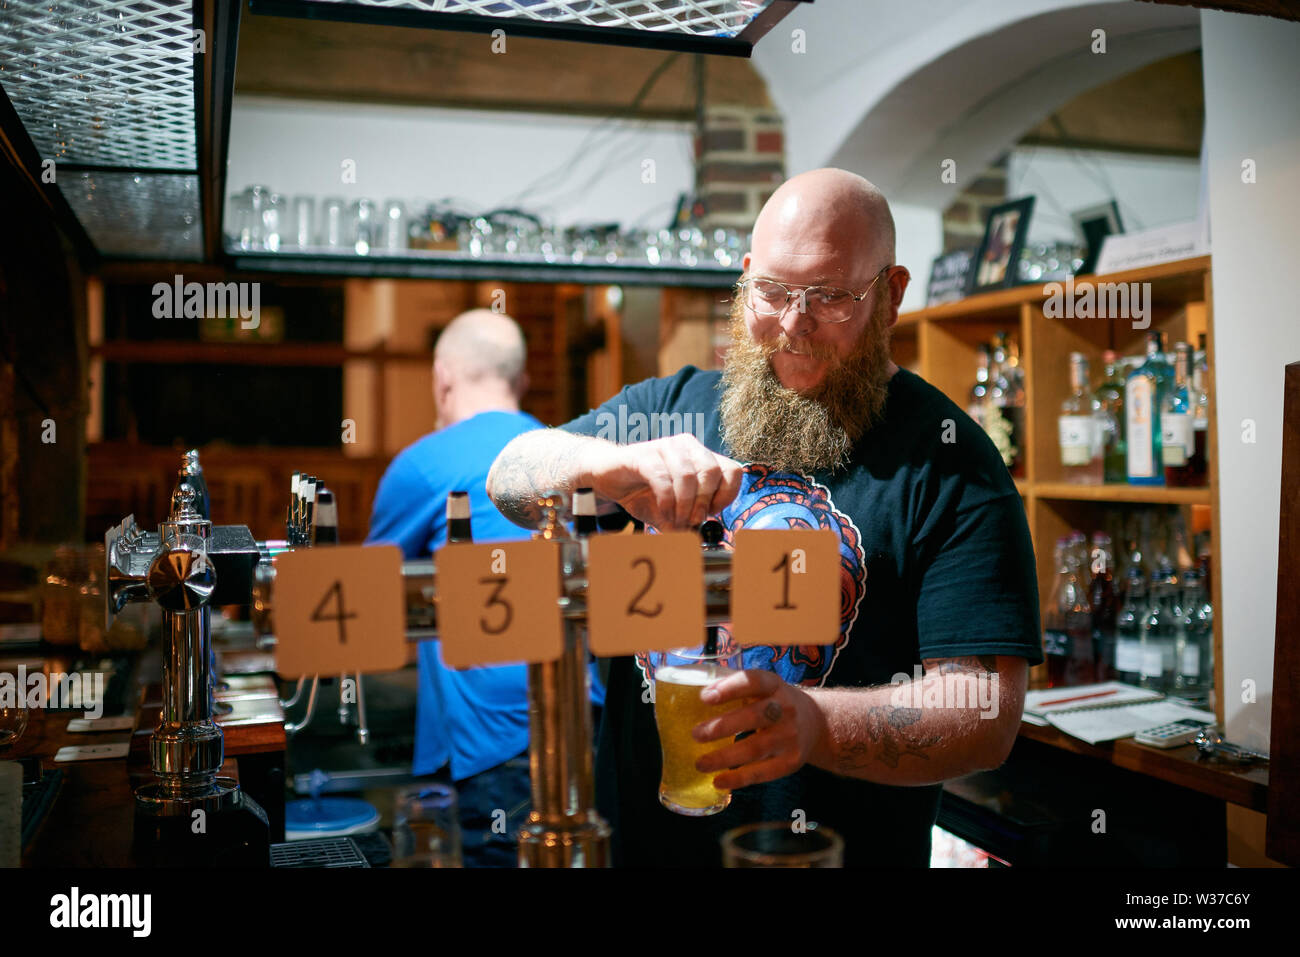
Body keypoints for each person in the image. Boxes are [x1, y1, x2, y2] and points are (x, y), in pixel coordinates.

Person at [486, 168, 1043, 867]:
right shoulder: (668, 409)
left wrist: (816, 725)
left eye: (831, 297)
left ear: (892, 295)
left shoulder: (950, 463)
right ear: (746, 278)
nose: (793, 324)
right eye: (772, 292)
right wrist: (602, 467)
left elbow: (985, 713)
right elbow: (510, 473)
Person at [366, 308, 602, 867]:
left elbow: (369, 608)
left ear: (442, 378)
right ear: (519, 382)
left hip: (494, 743)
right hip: (583, 724)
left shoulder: (422, 464)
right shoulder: (566, 450)